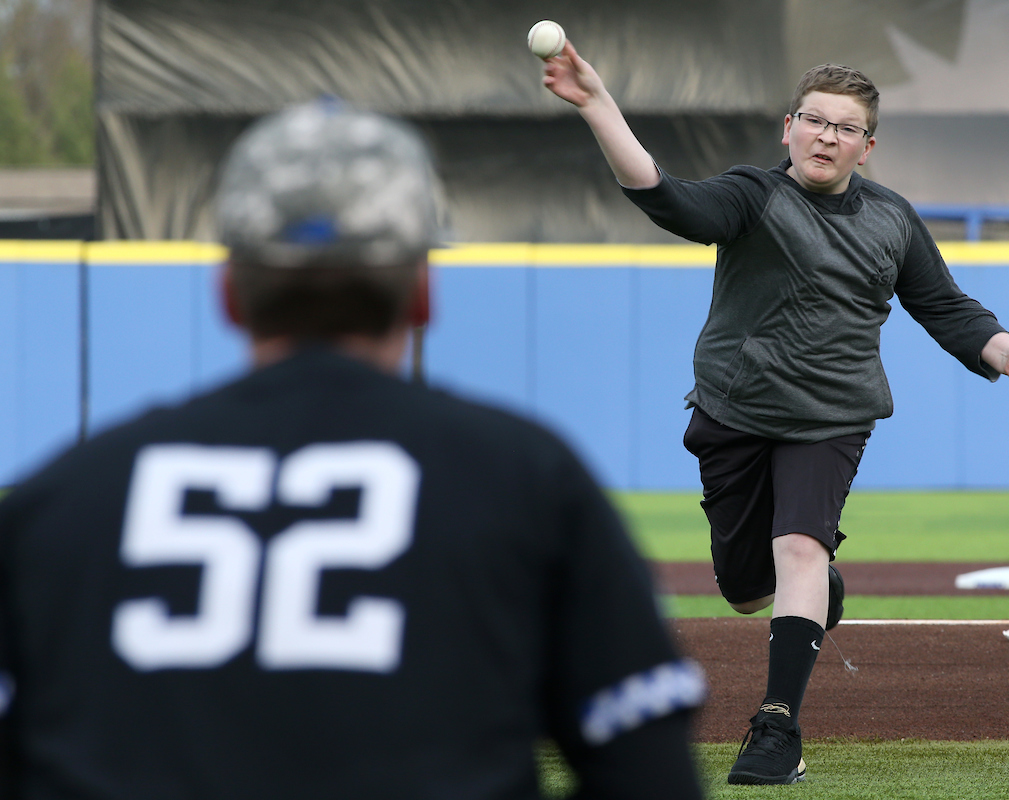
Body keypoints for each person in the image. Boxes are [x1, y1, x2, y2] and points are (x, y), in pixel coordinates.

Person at [0, 101, 706, 799]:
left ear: (229, 293)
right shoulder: (529, 482)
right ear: (423, 294)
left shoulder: (61, 503)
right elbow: (650, 776)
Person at [541, 47, 1009, 785]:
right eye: (815, 120)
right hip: (734, 410)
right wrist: (596, 104)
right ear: (787, 129)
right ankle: (818, 592)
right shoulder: (753, 197)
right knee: (744, 591)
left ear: (868, 146)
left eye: (846, 127)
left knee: (800, 545)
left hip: (833, 414)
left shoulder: (891, 219)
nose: (827, 136)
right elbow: (664, 194)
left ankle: (777, 727)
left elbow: (947, 309)